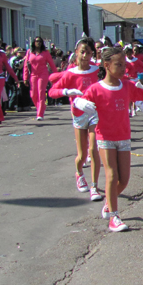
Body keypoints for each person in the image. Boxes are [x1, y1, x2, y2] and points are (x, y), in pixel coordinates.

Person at [73, 46, 143, 232]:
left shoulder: (127, 86)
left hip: (124, 138)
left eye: (124, 65)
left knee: (125, 180)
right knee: (112, 175)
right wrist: (78, 102)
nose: (123, 69)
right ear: (106, 65)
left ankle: (109, 203)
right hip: (105, 137)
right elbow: (77, 109)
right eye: (118, 65)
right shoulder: (96, 89)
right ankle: (114, 216)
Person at [48, 38, 104, 202]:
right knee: (82, 154)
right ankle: (79, 173)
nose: (85, 55)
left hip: (94, 112)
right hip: (78, 114)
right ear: (76, 53)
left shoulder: (97, 70)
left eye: (88, 52)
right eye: (82, 52)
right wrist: (68, 92)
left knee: (94, 150)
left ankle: (94, 186)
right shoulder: (70, 73)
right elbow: (52, 92)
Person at [23, 37, 56, 121]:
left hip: (43, 74)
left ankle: (40, 113)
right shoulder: (30, 52)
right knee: (33, 94)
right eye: (37, 41)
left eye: (40, 41)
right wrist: (25, 77)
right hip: (33, 75)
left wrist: (57, 75)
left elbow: (52, 64)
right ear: (34, 42)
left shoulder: (45, 53)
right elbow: (26, 66)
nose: (38, 43)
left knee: (41, 92)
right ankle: (40, 107)